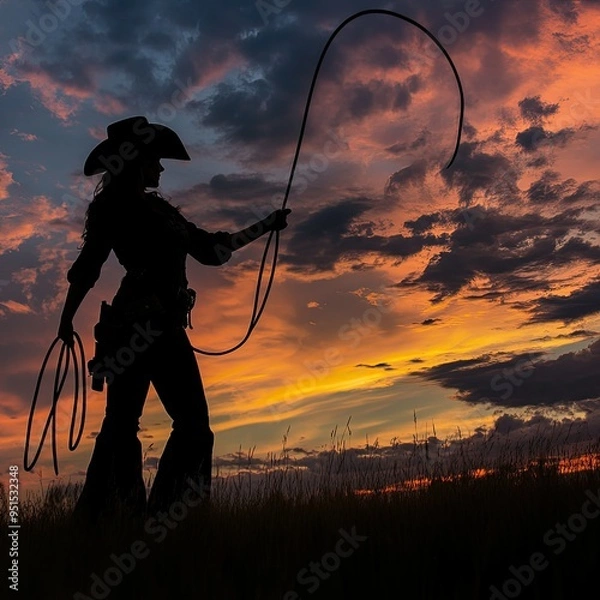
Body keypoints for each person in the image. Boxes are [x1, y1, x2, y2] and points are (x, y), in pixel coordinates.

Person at [58, 116, 290, 522]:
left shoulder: (161, 210)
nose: (161, 168)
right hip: (138, 327)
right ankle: (126, 516)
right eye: (155, 159)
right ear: (137, 160)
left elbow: (211, 251)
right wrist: (65, 321)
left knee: (178, 425)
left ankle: (155, 517)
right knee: (133, 424)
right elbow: (88, 267)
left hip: (160, 327)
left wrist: (264, 227)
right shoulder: (114, 207)